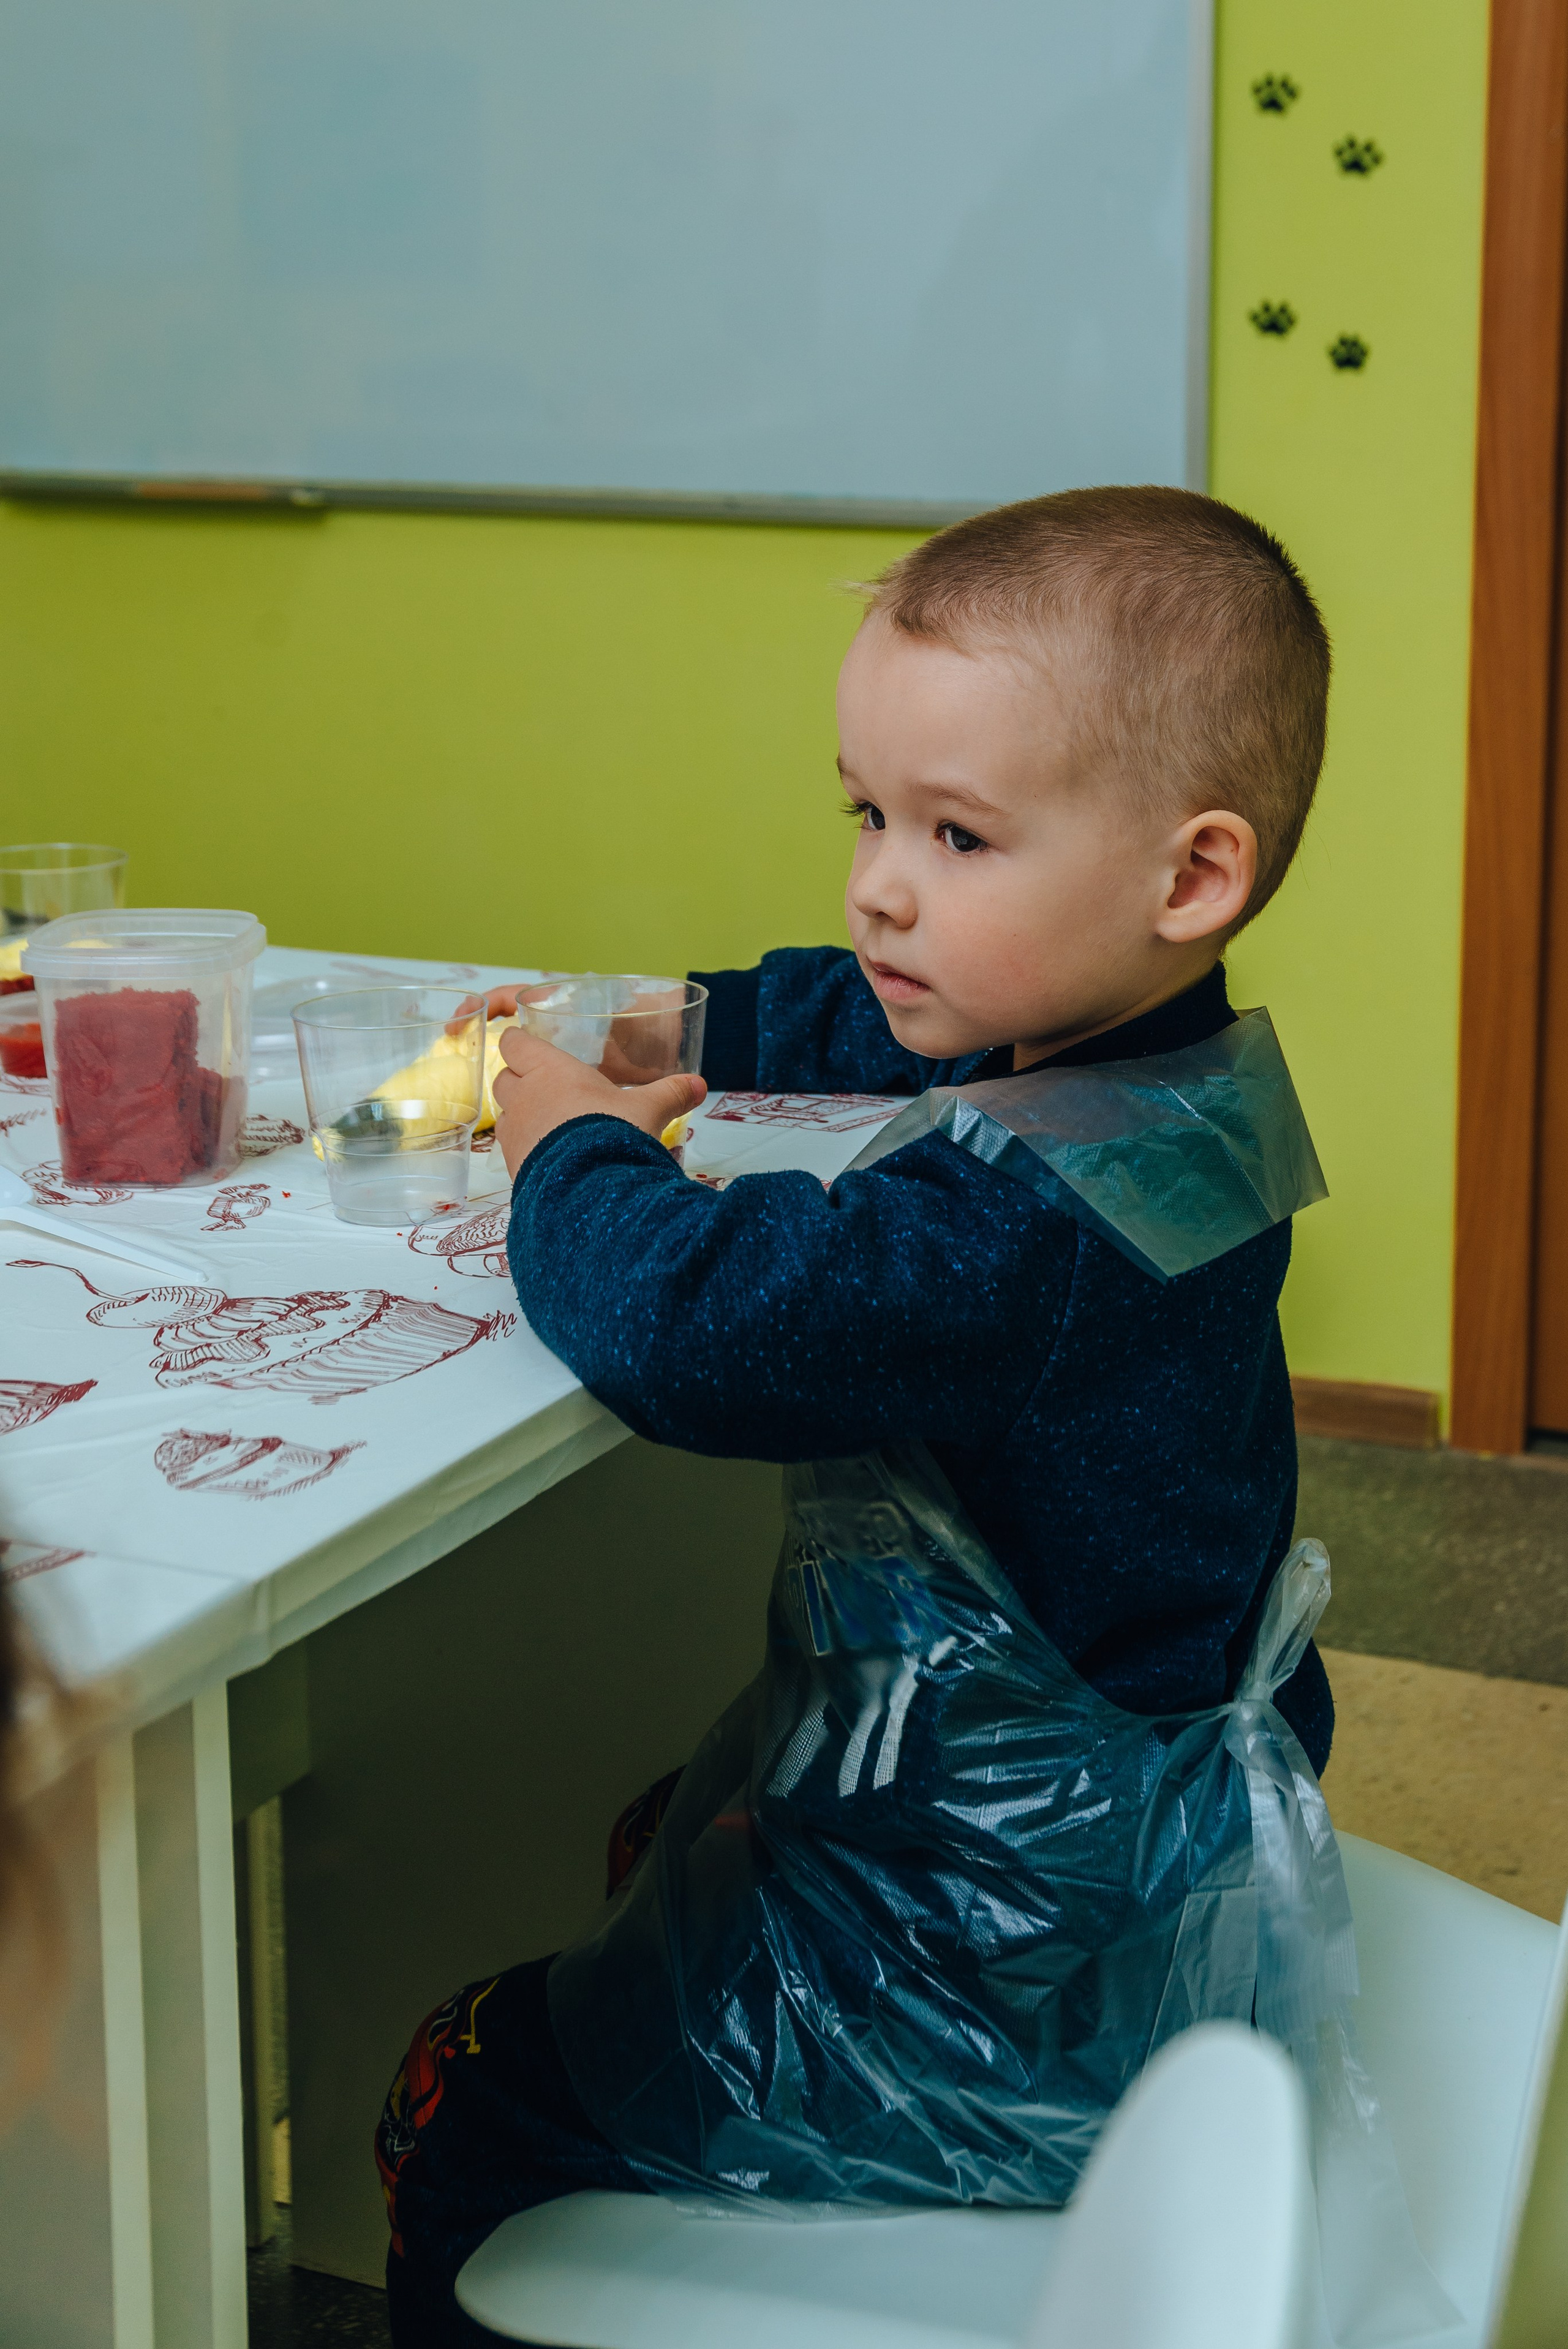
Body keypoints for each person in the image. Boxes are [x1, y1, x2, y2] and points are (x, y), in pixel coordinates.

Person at [378, 486, 1332, 2344]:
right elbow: (893, 1009)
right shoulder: (1165, 1067)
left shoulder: (1025, 1231)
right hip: (1139, 1836)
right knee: (660, 1823)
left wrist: (569, 1145)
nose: (884, 886)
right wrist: (686, 1026)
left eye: (957, 834)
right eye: (868, 815)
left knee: (462, 2075)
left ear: (1189, 876)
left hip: (1023, 1964)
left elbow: (690, 1328)